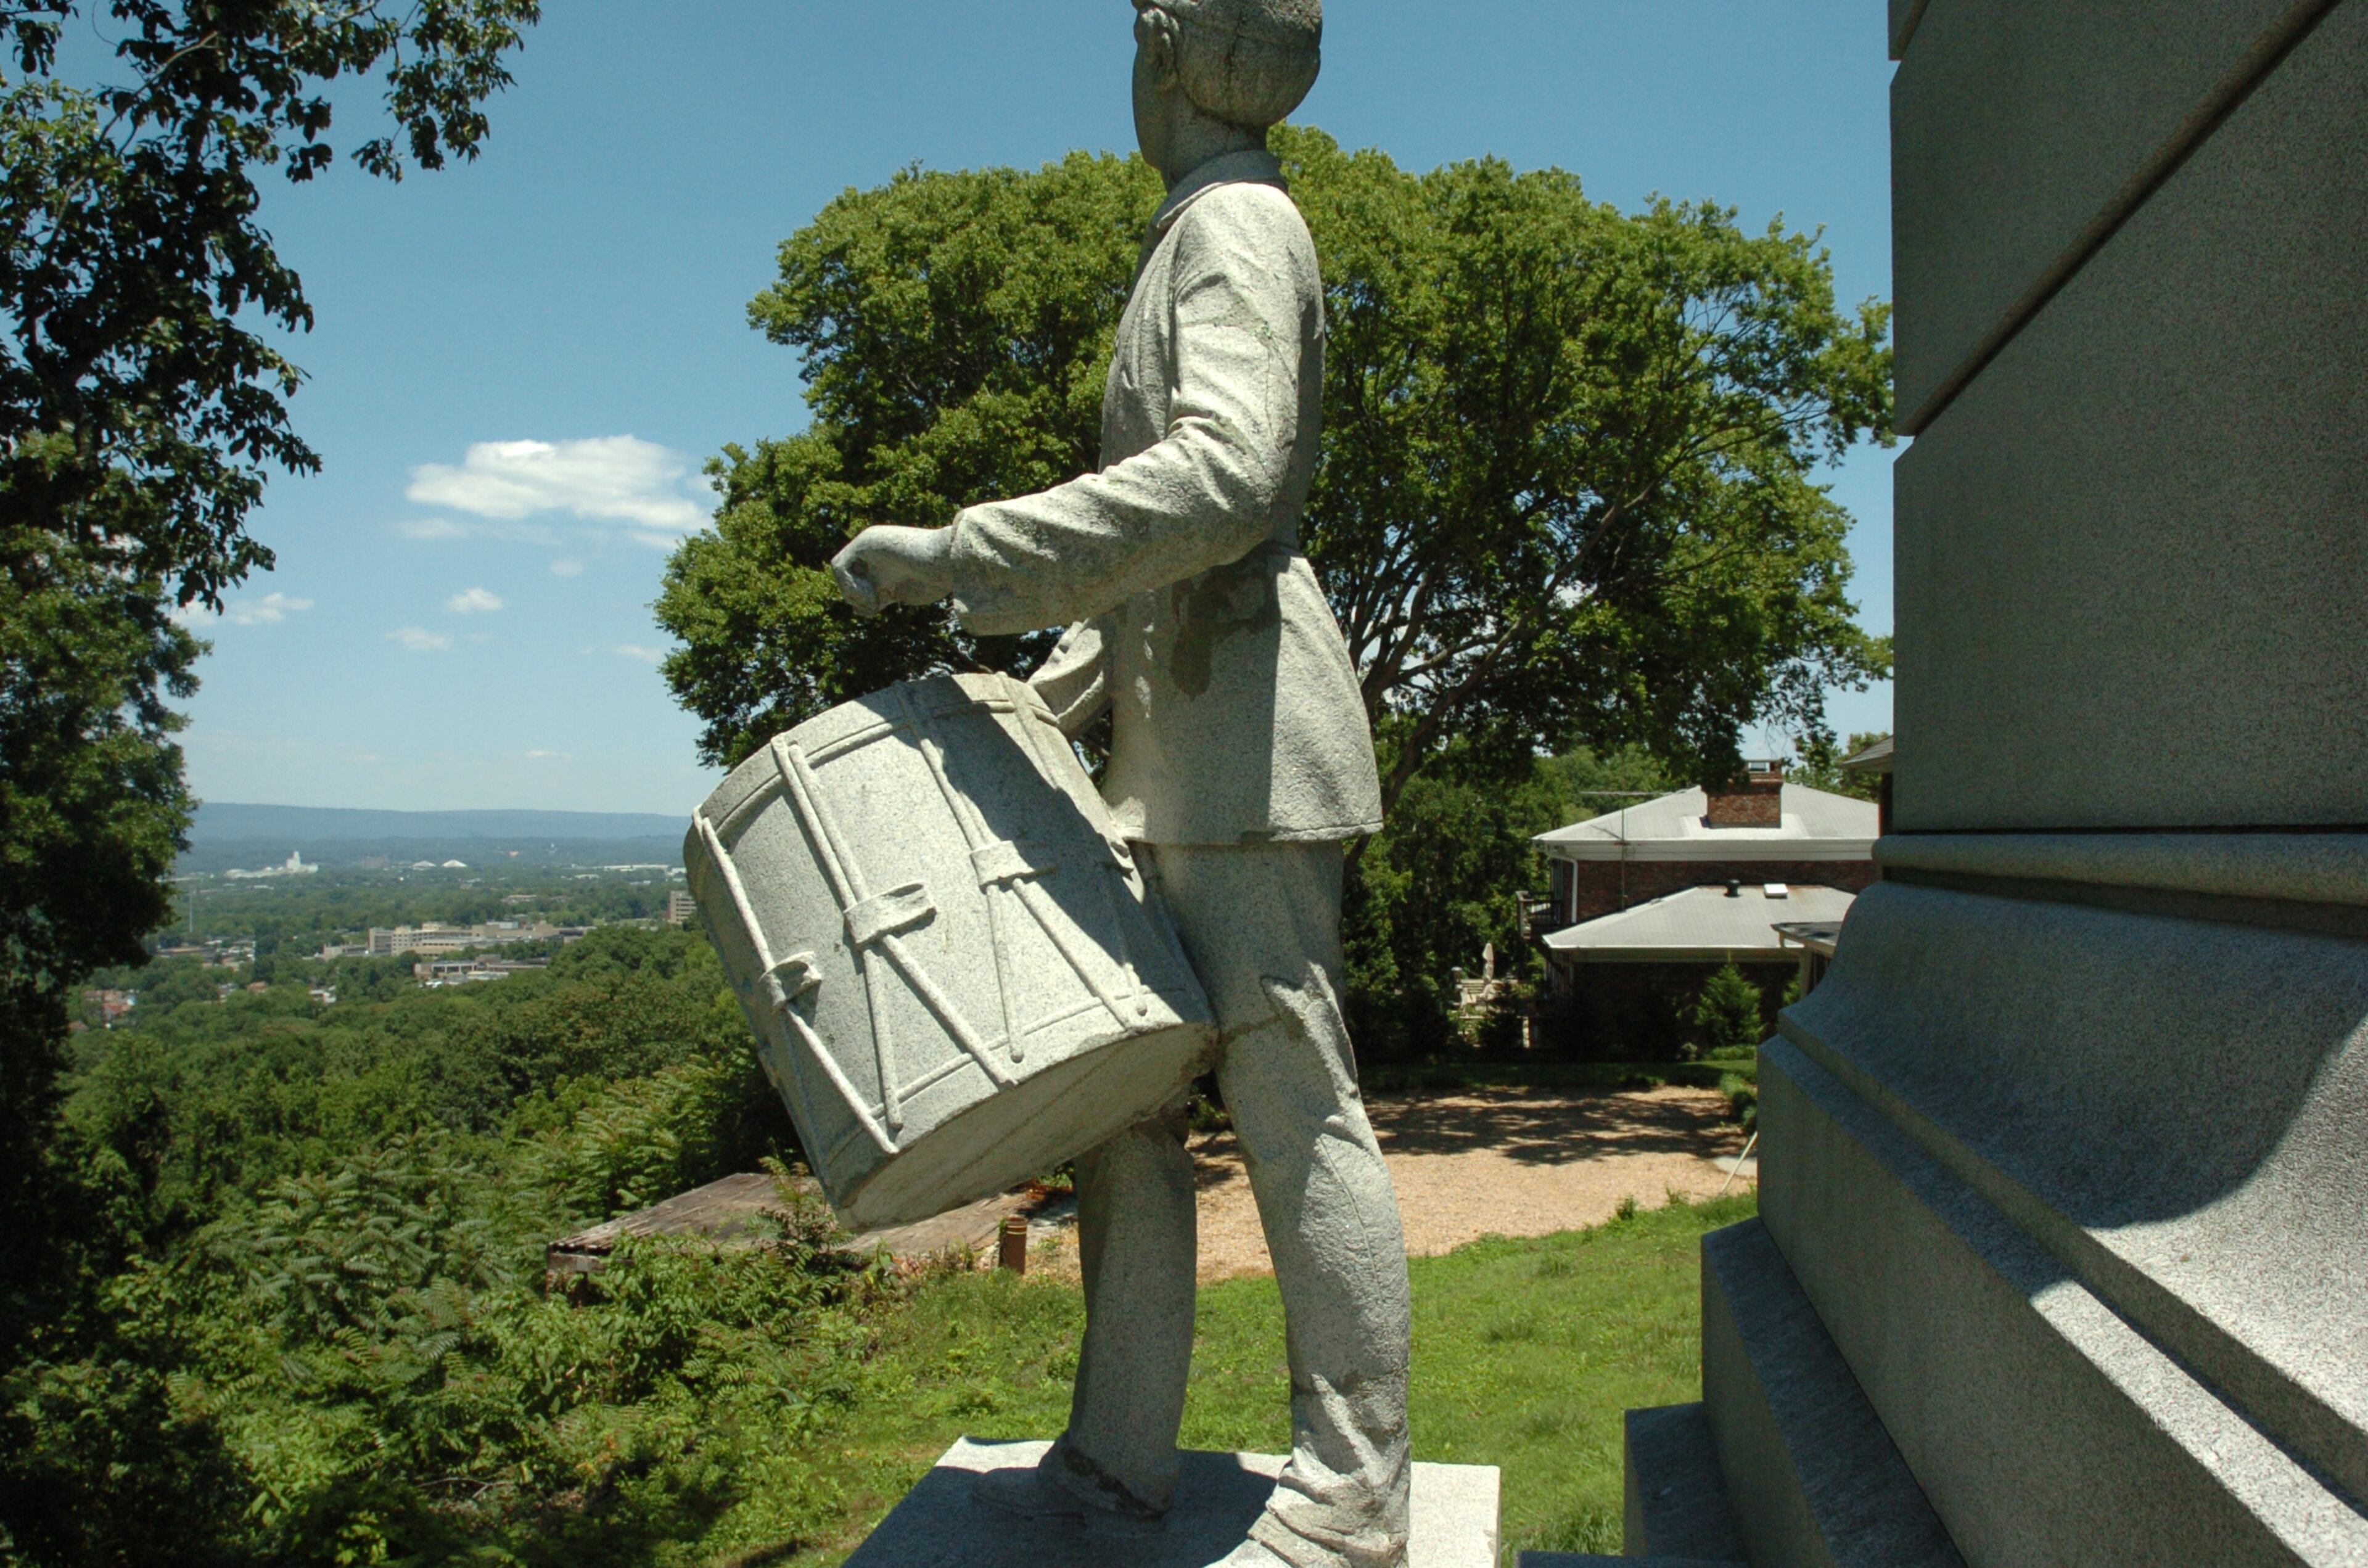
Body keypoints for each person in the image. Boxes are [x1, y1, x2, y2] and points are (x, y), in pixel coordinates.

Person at [830, 3, 1412, 1563]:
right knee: (1127, 1110)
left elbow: (1228, 477)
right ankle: (1115, 1461)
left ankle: (1355, 1493)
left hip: (1250, 757)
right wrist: (1037, 702)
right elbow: (1163, 560)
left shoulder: (1236, 223)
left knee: (1298, 1115)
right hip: (1177, 750)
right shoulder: (1202, 229)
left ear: (1161, 50)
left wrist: (963, 554)